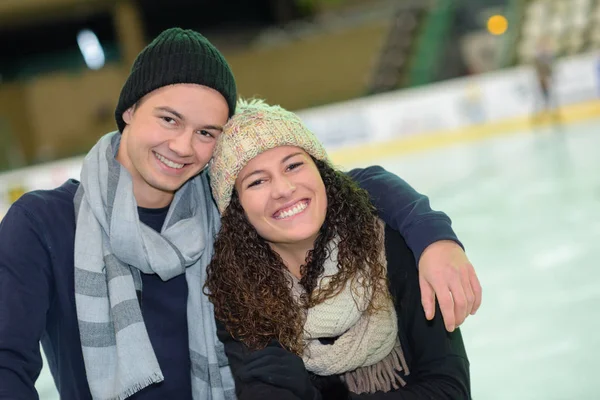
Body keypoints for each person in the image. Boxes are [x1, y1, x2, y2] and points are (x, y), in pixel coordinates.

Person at [0, 28, 479, 400]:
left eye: (206, 132)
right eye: (169, 119)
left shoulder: (219, 212)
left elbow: (342, 186)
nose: (183, 146)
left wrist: (434, 235)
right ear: (129, 111)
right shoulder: (43, 225)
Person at [205, 99, 470, 399]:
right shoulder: (240, 293)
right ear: (237, 209)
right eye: (257, 181)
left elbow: (450, 390)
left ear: (322, 172)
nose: (283, 189)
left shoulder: (390, 245)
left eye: (293, 165)